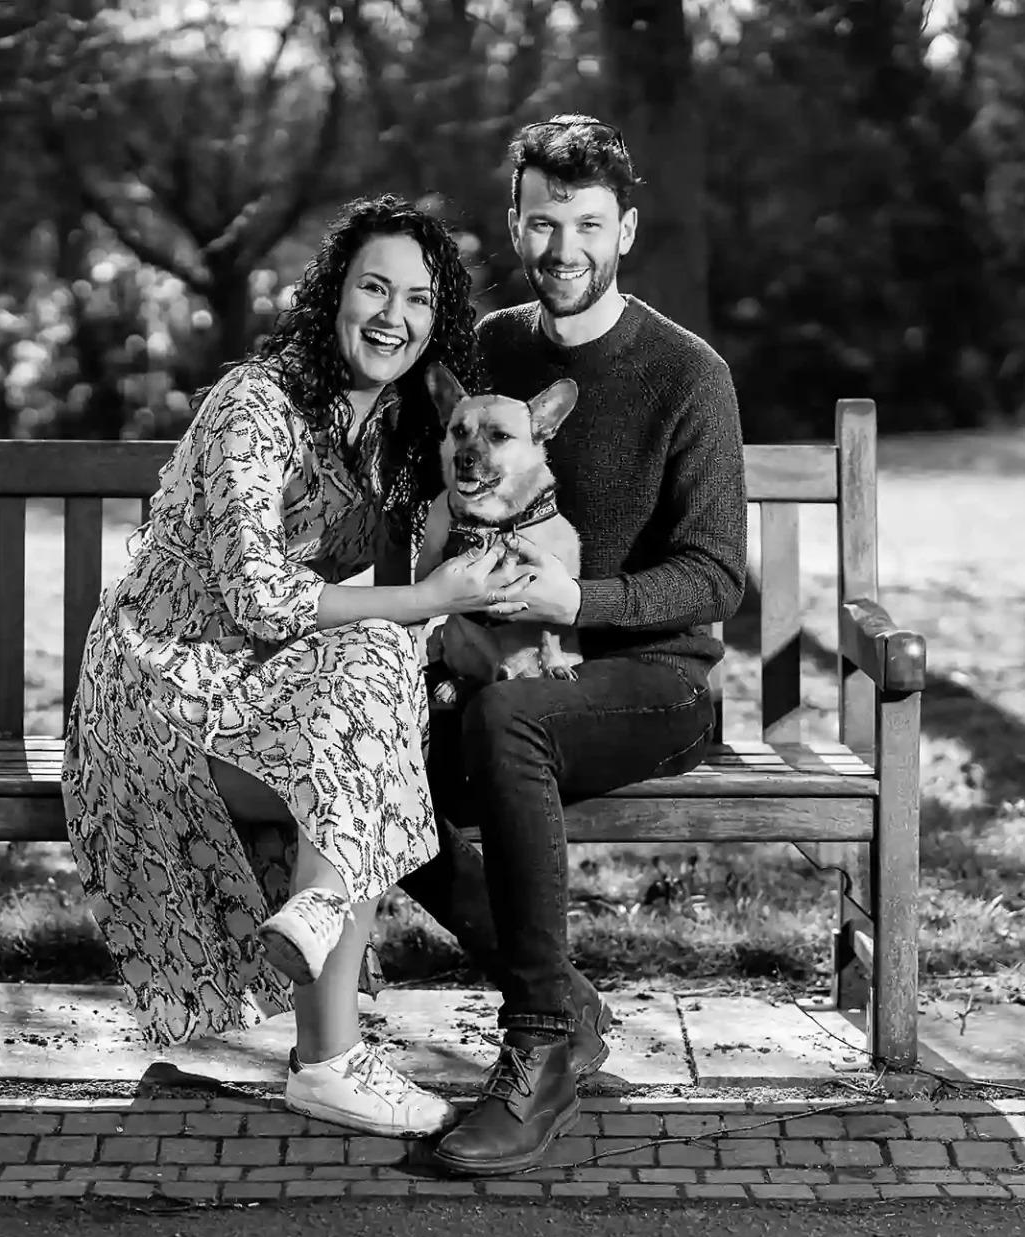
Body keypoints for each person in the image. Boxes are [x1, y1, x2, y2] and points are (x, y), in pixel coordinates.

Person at [62, 194, 529, 1138]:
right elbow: (263, 600)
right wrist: (428, 602)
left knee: (374, 663)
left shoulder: (390, 435)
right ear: (334, 296)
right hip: (160, 685)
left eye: (420, 300)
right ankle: (331, 1052)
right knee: (373, 674)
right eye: (374, 288)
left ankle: (324, 954)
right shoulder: (255, 405)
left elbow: (399, 588)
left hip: (265, 683)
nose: (395, 317)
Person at [397, 115, 749, 1176]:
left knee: (507, 723)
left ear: (625, 229)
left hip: (655, 678)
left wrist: (578, 598)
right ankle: (568, 1004)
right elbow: (419, 480)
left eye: (587, 225)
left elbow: (715, 572)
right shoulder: (489, 354)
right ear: (515, 223)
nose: (564, 249)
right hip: (502, 669)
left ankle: (540, 1047)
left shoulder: (689, 374)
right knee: (365, 753)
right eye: (543, 223)